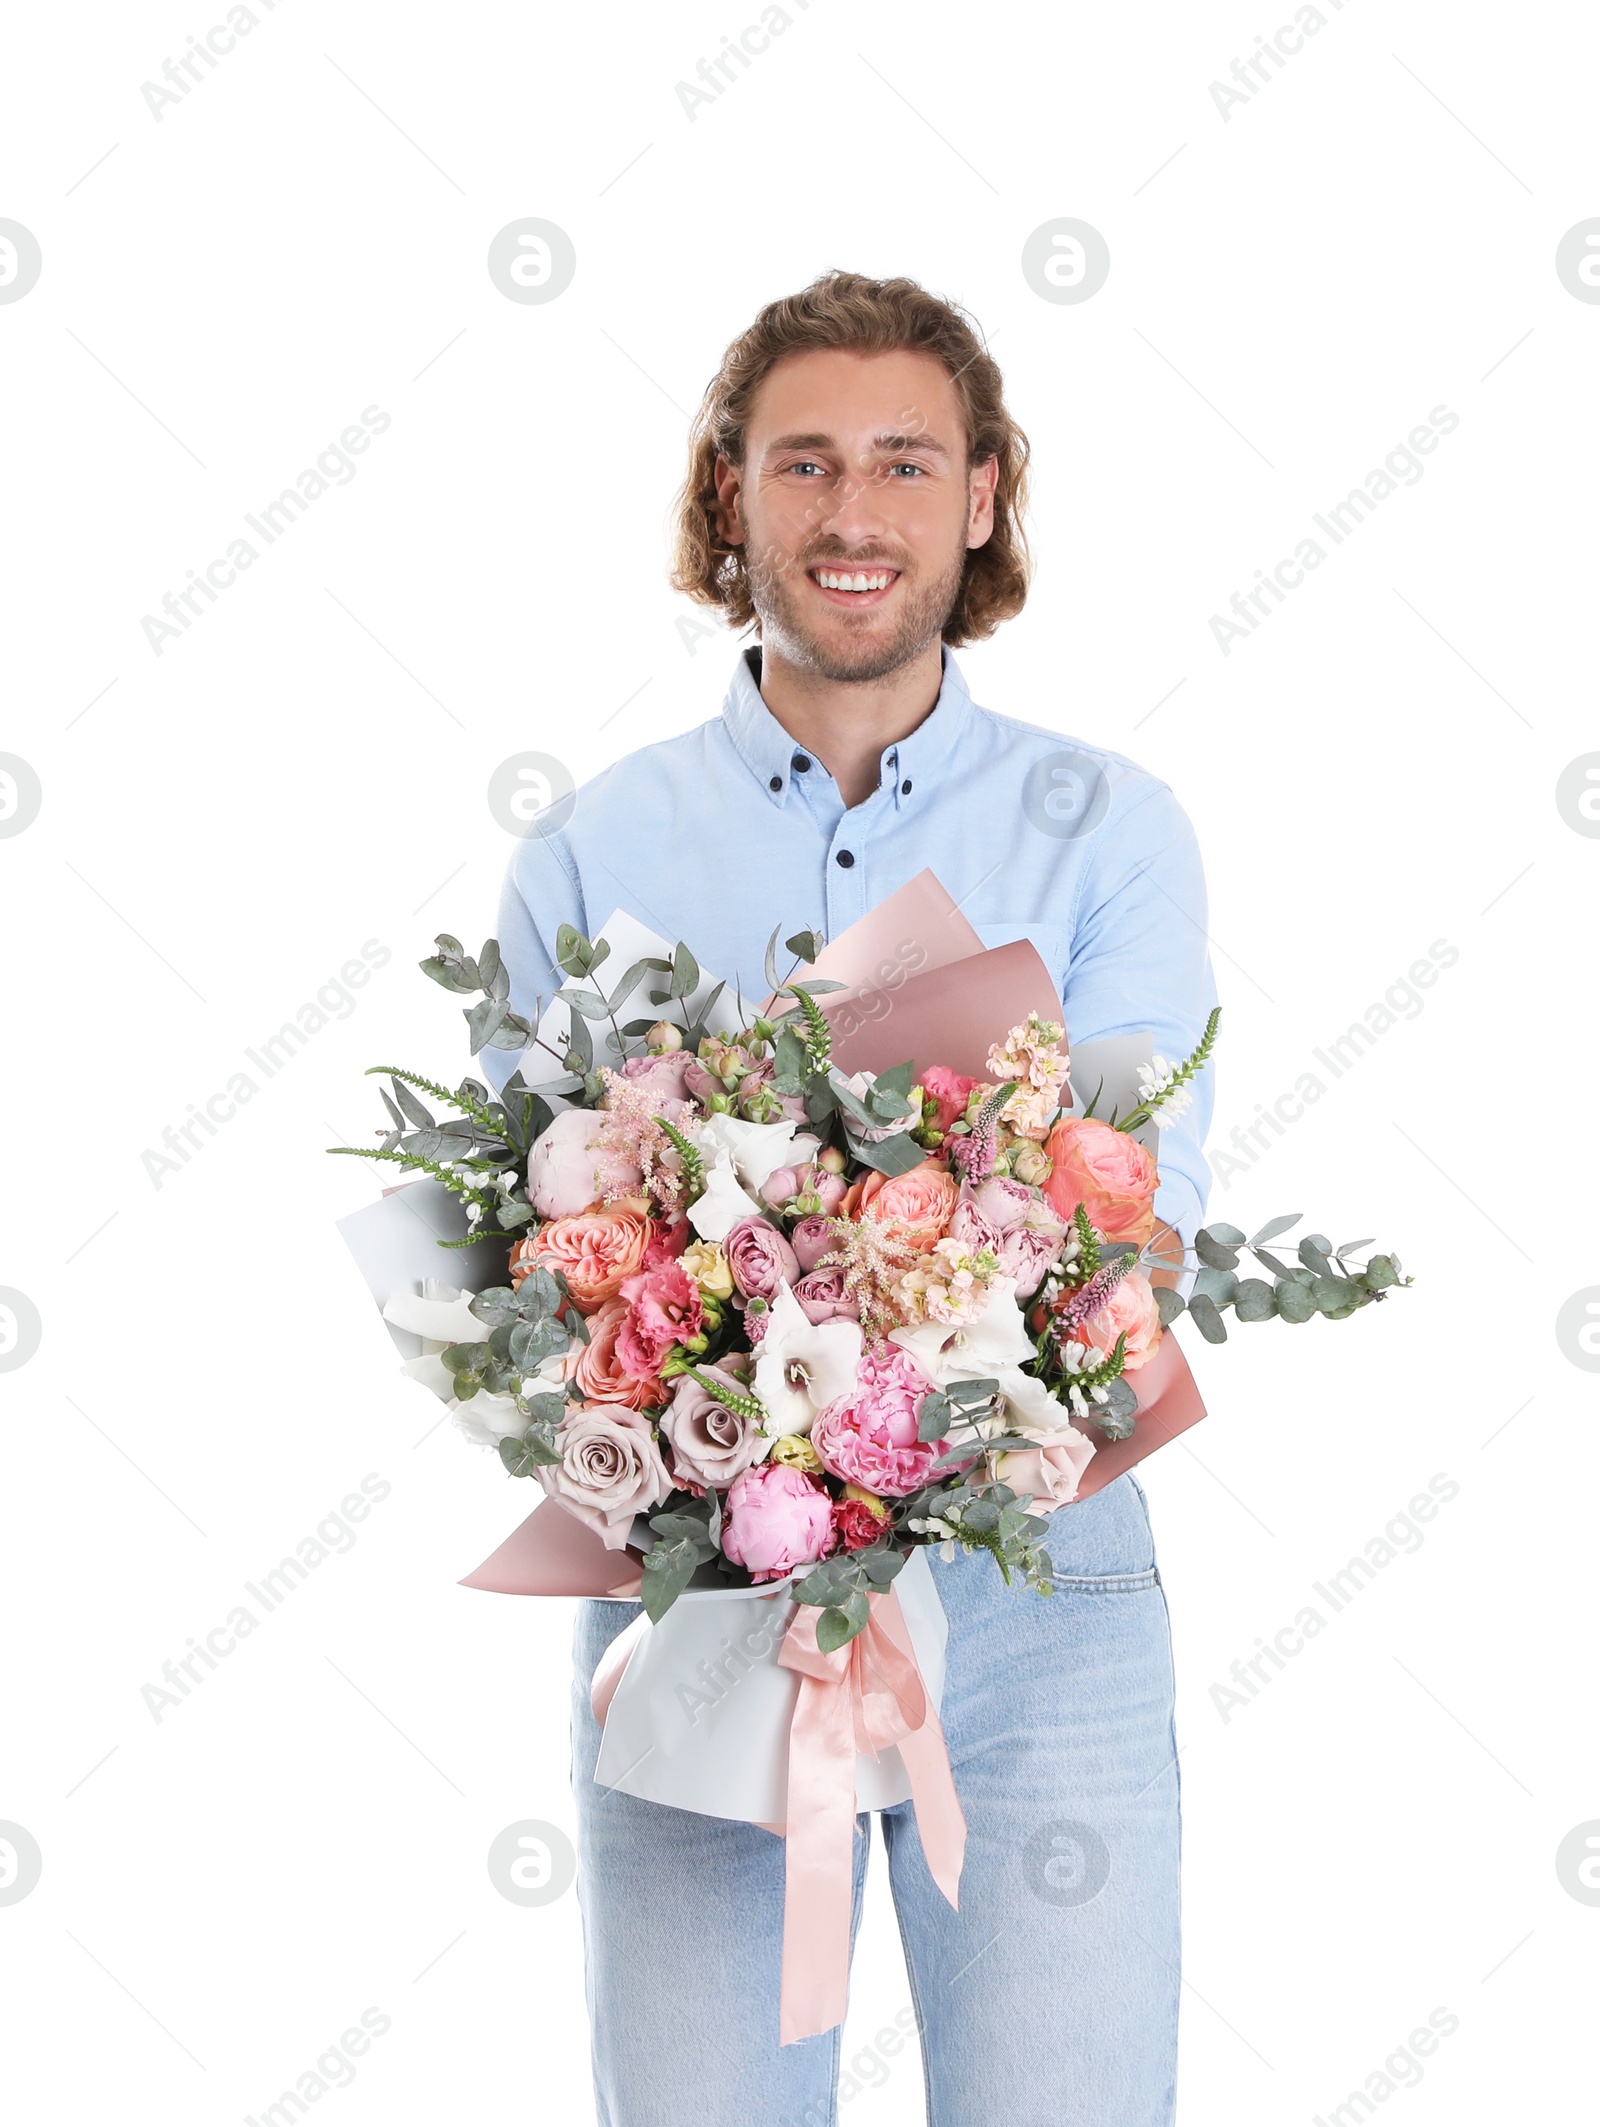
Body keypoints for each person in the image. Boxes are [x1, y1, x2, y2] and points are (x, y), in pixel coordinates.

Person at [484, 270, 1217, 2127]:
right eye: (801, 462)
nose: (853, 511)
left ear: (983, 496)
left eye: (906, 458)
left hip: (1042, 1598)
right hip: (702, 1592)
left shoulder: (1111, 828)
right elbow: (524, 1267)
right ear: (732, 498)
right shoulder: (597, 847)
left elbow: (1140, 1215)